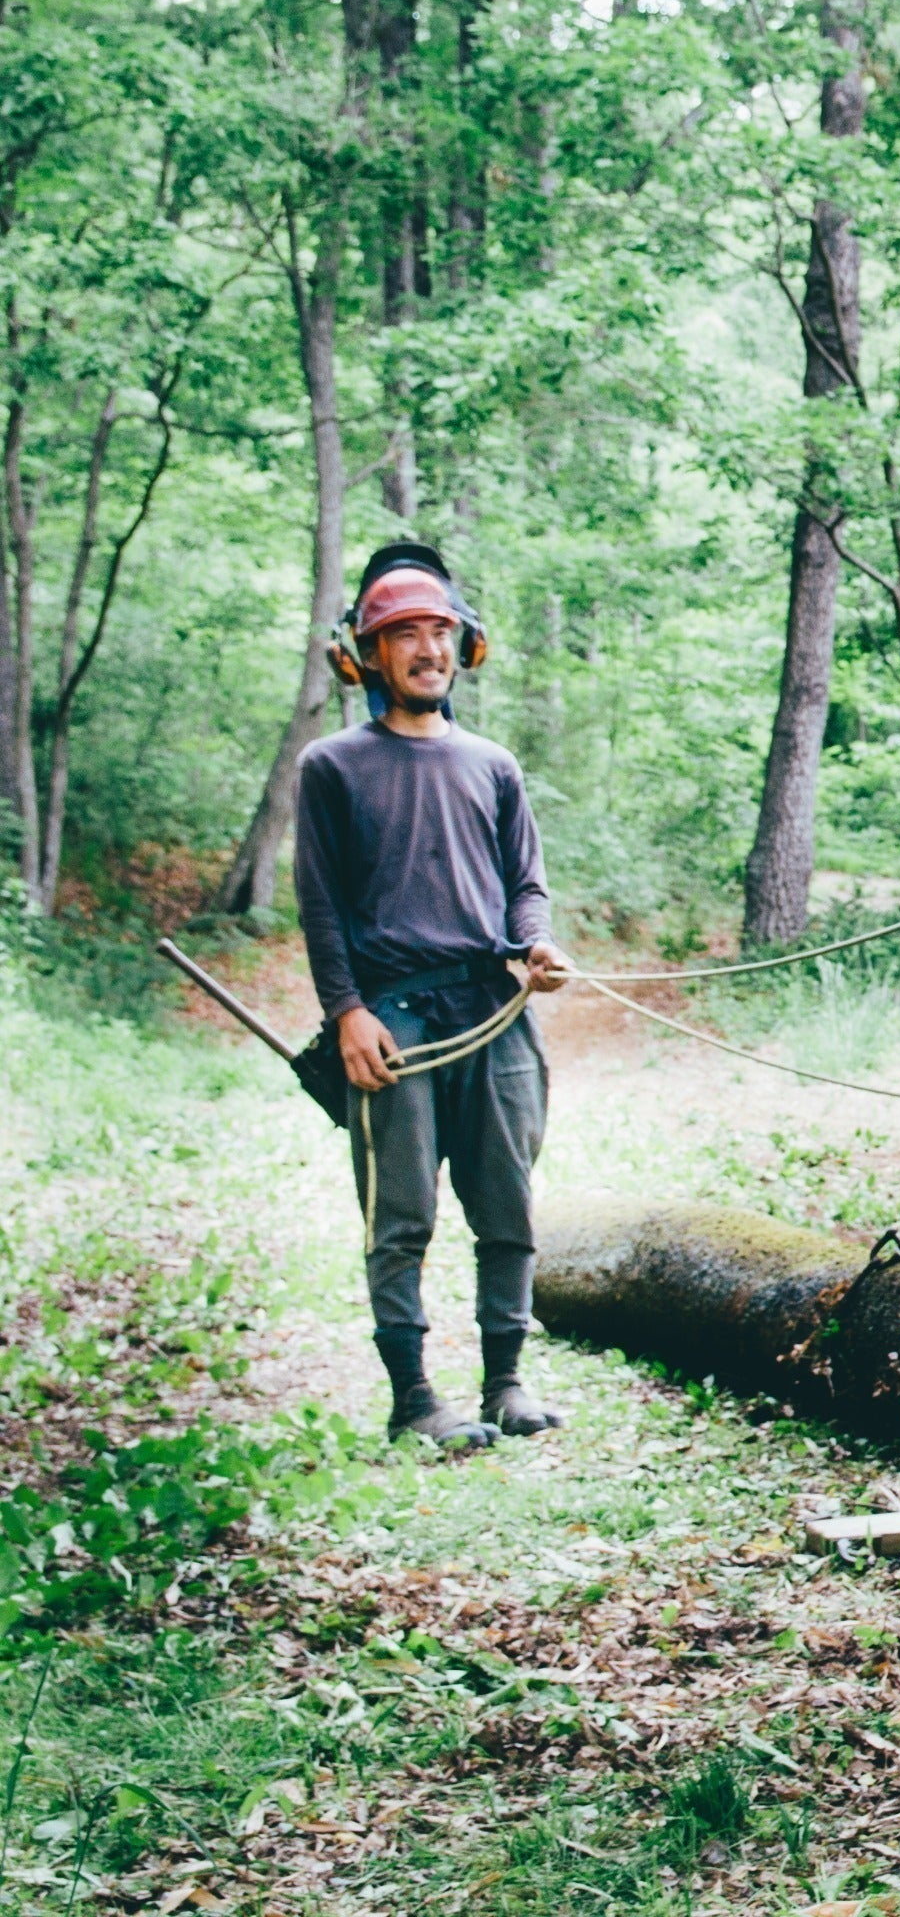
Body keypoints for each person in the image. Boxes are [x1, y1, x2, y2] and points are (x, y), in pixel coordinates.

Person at [294, 543, 572, 1448]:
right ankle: (413, 1400)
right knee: (400, 1219)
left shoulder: (494, 765)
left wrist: (535, 943)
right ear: (369, 655)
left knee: (508, 1208)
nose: (428, 649)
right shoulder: (332, 766)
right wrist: (347, 1013)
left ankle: (506, 1384)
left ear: (465, 645)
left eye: (441, 631)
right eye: (405, 633)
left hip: (493, 1013)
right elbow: (321, 907)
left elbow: (524, 885)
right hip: (395, 1021)